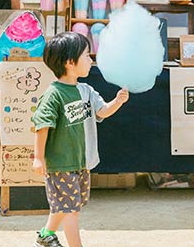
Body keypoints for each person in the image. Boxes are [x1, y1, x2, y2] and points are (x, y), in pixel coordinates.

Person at [32, 32, 128, 247]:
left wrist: (118, 102)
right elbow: (42, 125)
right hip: (61, 163)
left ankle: (46, 234)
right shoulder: (53, 94)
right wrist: (38, 157)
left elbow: (102, 112)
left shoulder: (86, 90)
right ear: (69, 62)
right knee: (71, 210)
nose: (91, 60)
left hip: (81, 161)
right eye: (86, 55)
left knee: (66, 205)